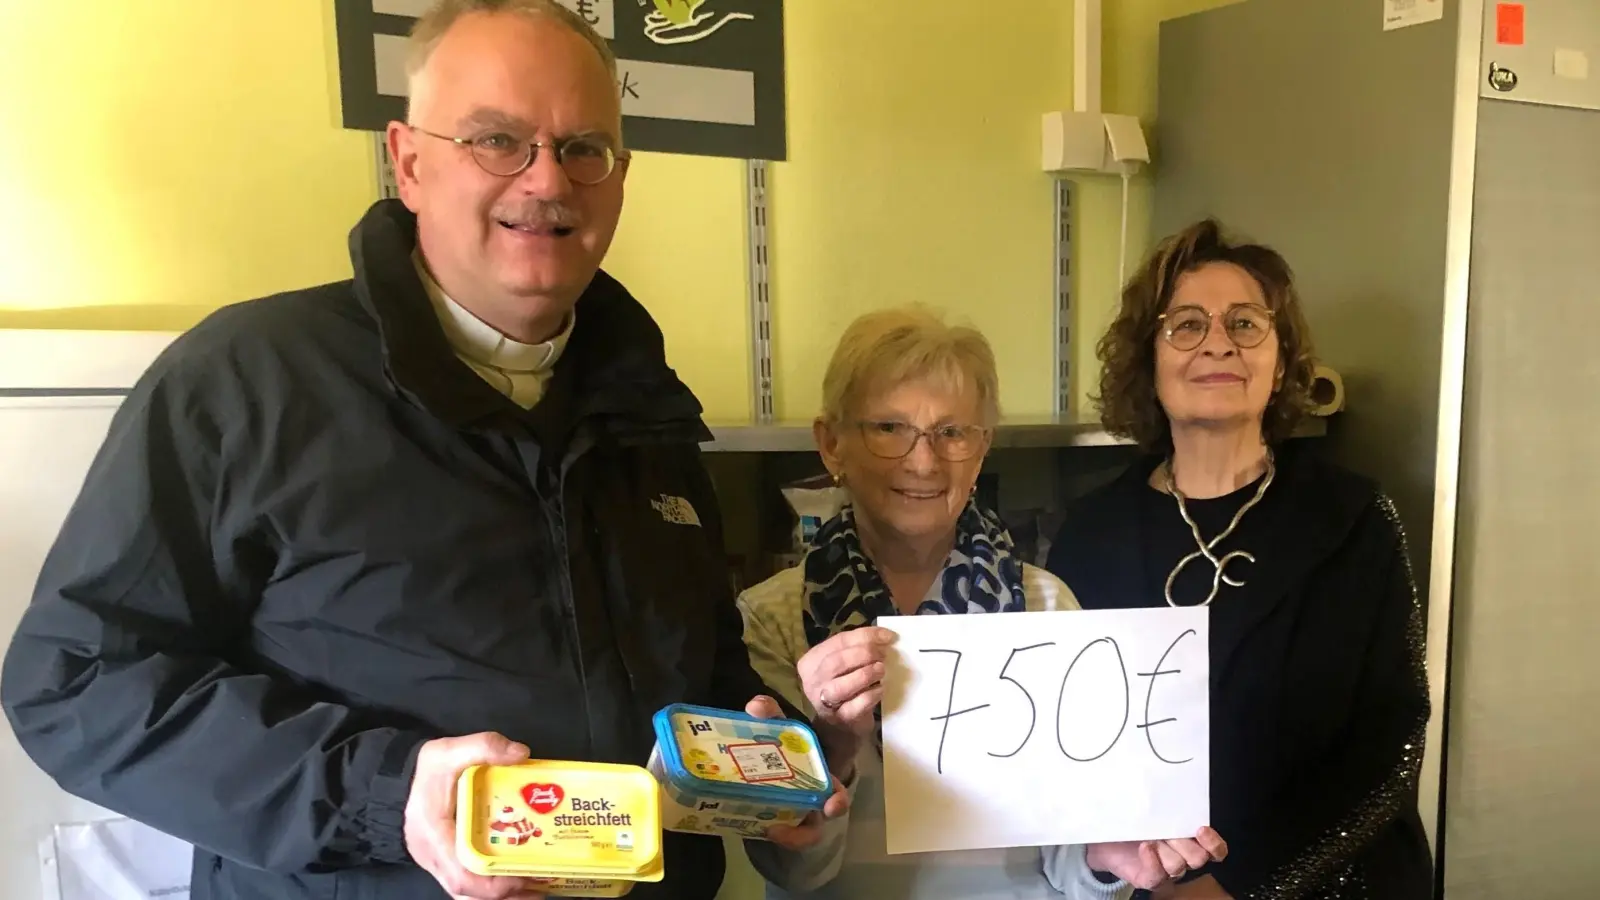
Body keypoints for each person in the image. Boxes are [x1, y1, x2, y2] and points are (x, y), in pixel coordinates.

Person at [0, 2, 837, 898]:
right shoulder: (247, 382)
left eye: (583, 148)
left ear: (620, 177)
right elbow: (77, 682)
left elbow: (701, 670)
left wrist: (769, 760)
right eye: (496, 139)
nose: (546, 179)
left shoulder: (651, 417)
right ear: (408, 162)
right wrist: (389, 795)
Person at [736, 307, 1229, 900]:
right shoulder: (769, 620)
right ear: (831, 444)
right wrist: (831, 742)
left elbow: (1069, 869)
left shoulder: (1047, 605)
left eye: (951, 432)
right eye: (888, 428)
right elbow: (789, 869)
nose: (923, 461)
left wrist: (1104, 860)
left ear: (982, 448)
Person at [1045, 220, 1433, 899]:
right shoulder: (1088, 533)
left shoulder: (1356, 521)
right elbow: (1072, 743)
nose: (1218, 342)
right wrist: (1131, 871)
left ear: (1280, 361)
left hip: (1332, 883)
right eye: (1187, 325)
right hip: (1143, 887)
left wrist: (1235, 886)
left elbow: (1389, 746)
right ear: (1150, 360)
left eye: (1246, 324)